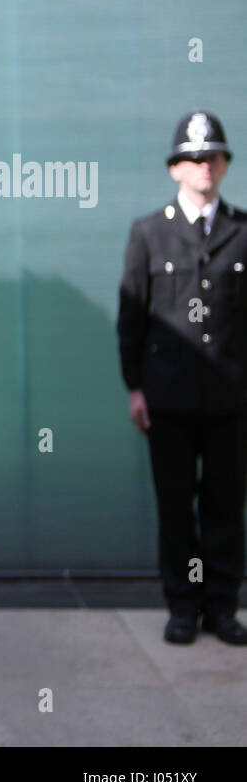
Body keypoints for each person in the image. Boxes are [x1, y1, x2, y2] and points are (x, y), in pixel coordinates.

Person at [117, 110, 247, 646]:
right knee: (176, 509)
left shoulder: (242, 231)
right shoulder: (149, 233)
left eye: (212, 156)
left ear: (225, 164)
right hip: (168, 399)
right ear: (175, 168)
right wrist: (136, 388)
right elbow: (133, 317)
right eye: (192, 158)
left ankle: (221, 607)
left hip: (230, 399)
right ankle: (182, 607)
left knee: (224, 507)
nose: (203, 166)